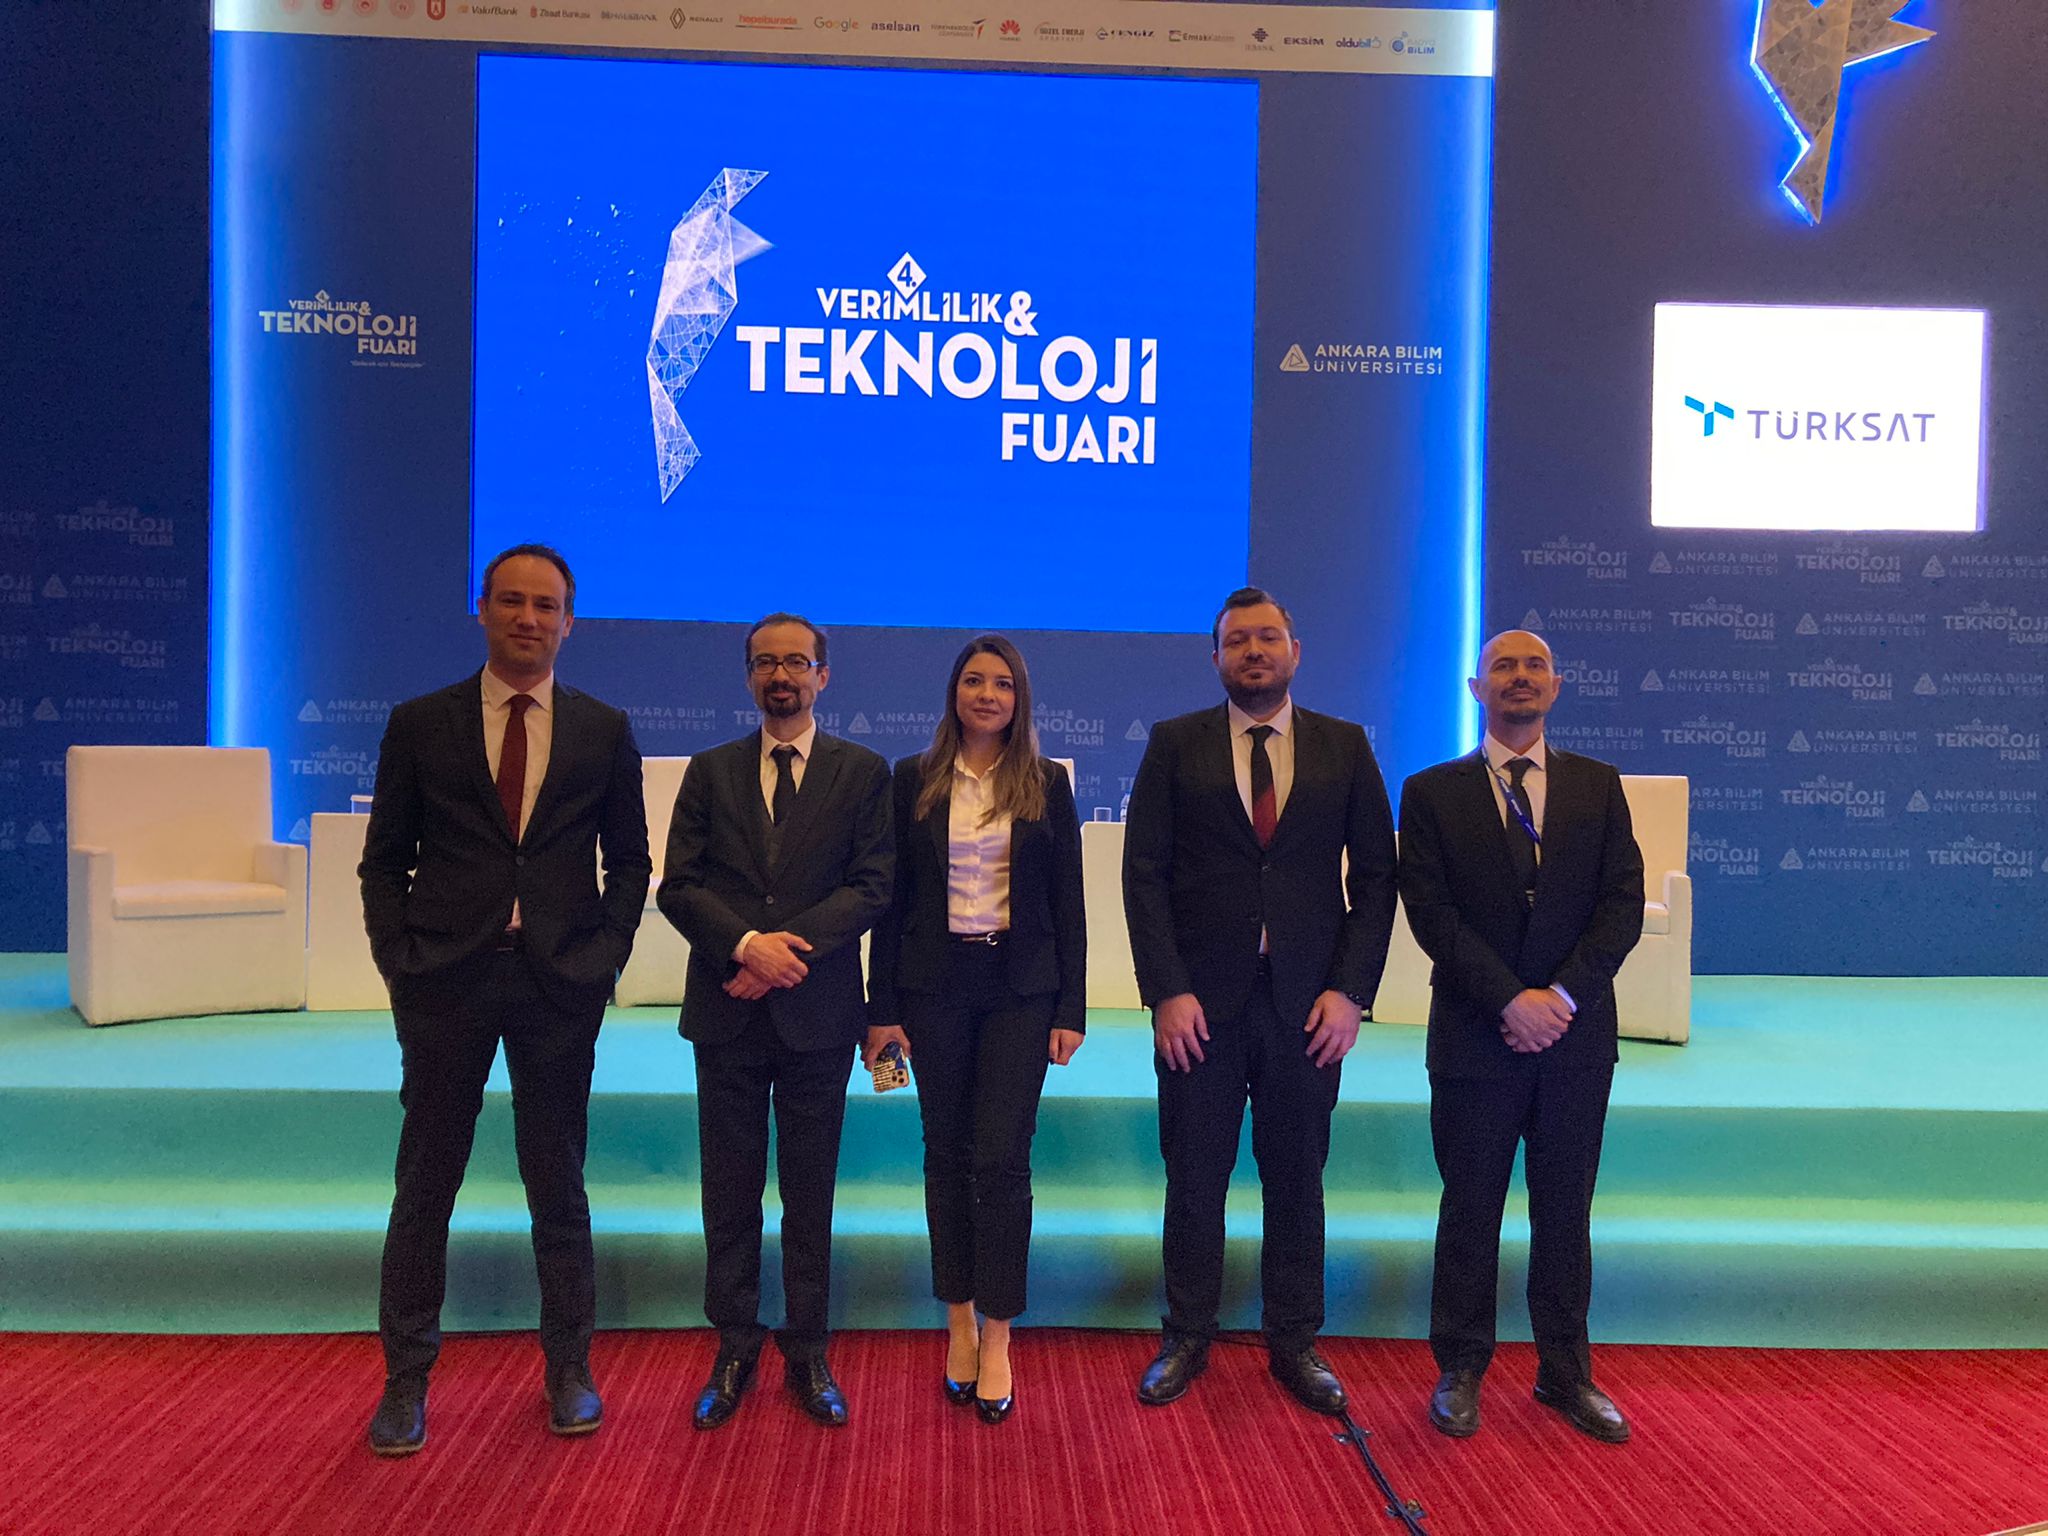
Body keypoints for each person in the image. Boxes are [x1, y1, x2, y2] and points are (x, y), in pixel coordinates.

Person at [358, 543, 650, 1457]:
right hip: (444, 981)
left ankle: (569, 1369)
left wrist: (602, 958)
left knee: (557, 1185)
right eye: (512, 601)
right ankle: (405, 1380)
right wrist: (400, 961)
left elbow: (630, 862)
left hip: (558, 983)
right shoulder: (420, 723)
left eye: (546, 605)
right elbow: (383, 861)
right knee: (425, 1185)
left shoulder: (604, 729)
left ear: (570, 621)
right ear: (481, 609)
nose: (529, 618)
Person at [1121, 587, 1397, 1416]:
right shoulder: (1175, 744)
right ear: (1215, 657)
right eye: (1237, 640)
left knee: (1297, 1179)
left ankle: (1295, 1340)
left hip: (1307, 1009)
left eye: (1268, 637)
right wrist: (1166, 992)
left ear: (1295, 651)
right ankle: (1187, 1334)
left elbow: (1376, 880)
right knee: (1194, 1178)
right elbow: (1143, 877)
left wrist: (1351, 993)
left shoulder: (1346, 746)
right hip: (1199, 1010)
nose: (1253, 651)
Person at [1397, 628, 1645, 1444]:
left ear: (1557, 686)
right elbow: (1432, 914)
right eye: (1502, 666)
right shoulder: (1430, 792)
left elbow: (1620, 905)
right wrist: (1510, 1000)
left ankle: (1565, 1374)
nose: (1520, 677)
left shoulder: (1599, 787)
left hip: (1575, 1038)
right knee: (1470, 1209)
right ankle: (1461, 1366)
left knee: (1565, 1212)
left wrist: (1561, 997)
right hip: (1476, 1035)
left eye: (1535, 665)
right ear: (1476, 689)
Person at [656, 612, 892, 1431]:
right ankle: (733, 1343)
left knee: (809, 1191)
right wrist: (745, 947)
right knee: (728, 1192)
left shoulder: (863, 773)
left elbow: (872, 886)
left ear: (824, 675)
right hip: (726, 1009)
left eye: (796, 662)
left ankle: (808, 1345)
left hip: (817, 1015)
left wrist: (786, 953)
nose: (780, 676)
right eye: (765, 663)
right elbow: (679, 886)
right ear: (749, 675)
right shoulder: (709, 770)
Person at [864, 636, 1087, 1425]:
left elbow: (1069, 903)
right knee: (945, 1154)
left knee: (1001, 1157)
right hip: (932, 990)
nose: (987, 694)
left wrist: (1071, 1010)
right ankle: (957, 1318)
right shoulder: (912, 779)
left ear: (1019, 698)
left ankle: (998, 1332)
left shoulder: (1047, 783)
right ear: (953, 693)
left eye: (1002, 684)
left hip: (1021, 992)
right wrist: (881, 1011)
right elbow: (890, 904)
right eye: (973, 681)